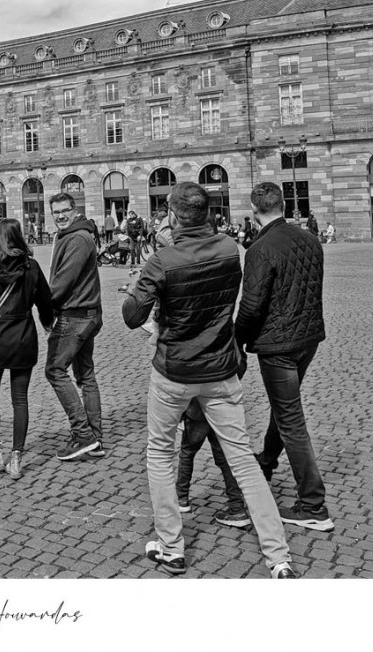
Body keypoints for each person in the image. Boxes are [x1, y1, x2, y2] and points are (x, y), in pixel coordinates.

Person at [122, 181, 298, 578]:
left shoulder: (162, 260)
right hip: (220, 369)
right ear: (208, 213)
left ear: (172, 216)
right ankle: (278, 556)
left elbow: (132, 316)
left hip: (175, 372)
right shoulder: (228, 250)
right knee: (243, 460)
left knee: (160, 455)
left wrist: (139, 285)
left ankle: (171, 547)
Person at [236, 182, 332, 532]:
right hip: (308, 337)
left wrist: (238, 340)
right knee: (284, 407)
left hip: (278, 345)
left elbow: (251, 305)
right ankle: (267, 459)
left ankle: (313, 504)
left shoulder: (259, 248)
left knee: (291, 418)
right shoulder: (309, 238)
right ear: (283, 204)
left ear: (253, 208)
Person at [0, 219, 53, 480]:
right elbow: (46, 303)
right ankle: (16, 459)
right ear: (19, 237)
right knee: (20, 399)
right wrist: (47, 323)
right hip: (23, 337)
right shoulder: (32, 267)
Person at [44, 192, 105, 461]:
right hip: (85, 314)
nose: (60, 216)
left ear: (75, 209)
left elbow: (62, 282)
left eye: (65, 210)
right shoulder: (70, 235)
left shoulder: (79, 238)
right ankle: (95, 438)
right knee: (86, 375)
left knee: (55, 370)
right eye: (56, 212)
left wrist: (43, 305)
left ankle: (84, 435)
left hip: (76, 316)